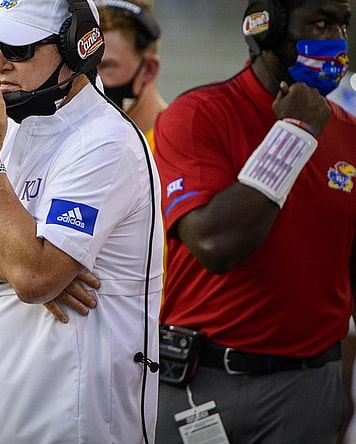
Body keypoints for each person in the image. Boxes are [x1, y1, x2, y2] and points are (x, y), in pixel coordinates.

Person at [0, 0, 164, 442]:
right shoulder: (3, 137)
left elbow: (35, 277)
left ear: (79, 48)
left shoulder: (106, 142)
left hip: (72, 425)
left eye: (18, 48)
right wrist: (3, 264)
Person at [152, 0, 355, 442]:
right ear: (267, 29)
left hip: (308, 386)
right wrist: (295, 133)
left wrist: (341, 388)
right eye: (320, 23)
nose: (337, 41)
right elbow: (215, 245)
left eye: (342, 24)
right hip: (204, 382)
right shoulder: (197, 115)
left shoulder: (349, 133)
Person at [95, 0, 166, 147]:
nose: (92, 80)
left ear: (148, 70)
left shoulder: (179, 146)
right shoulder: (80, 146)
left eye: (107, 66)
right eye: (87, 68)